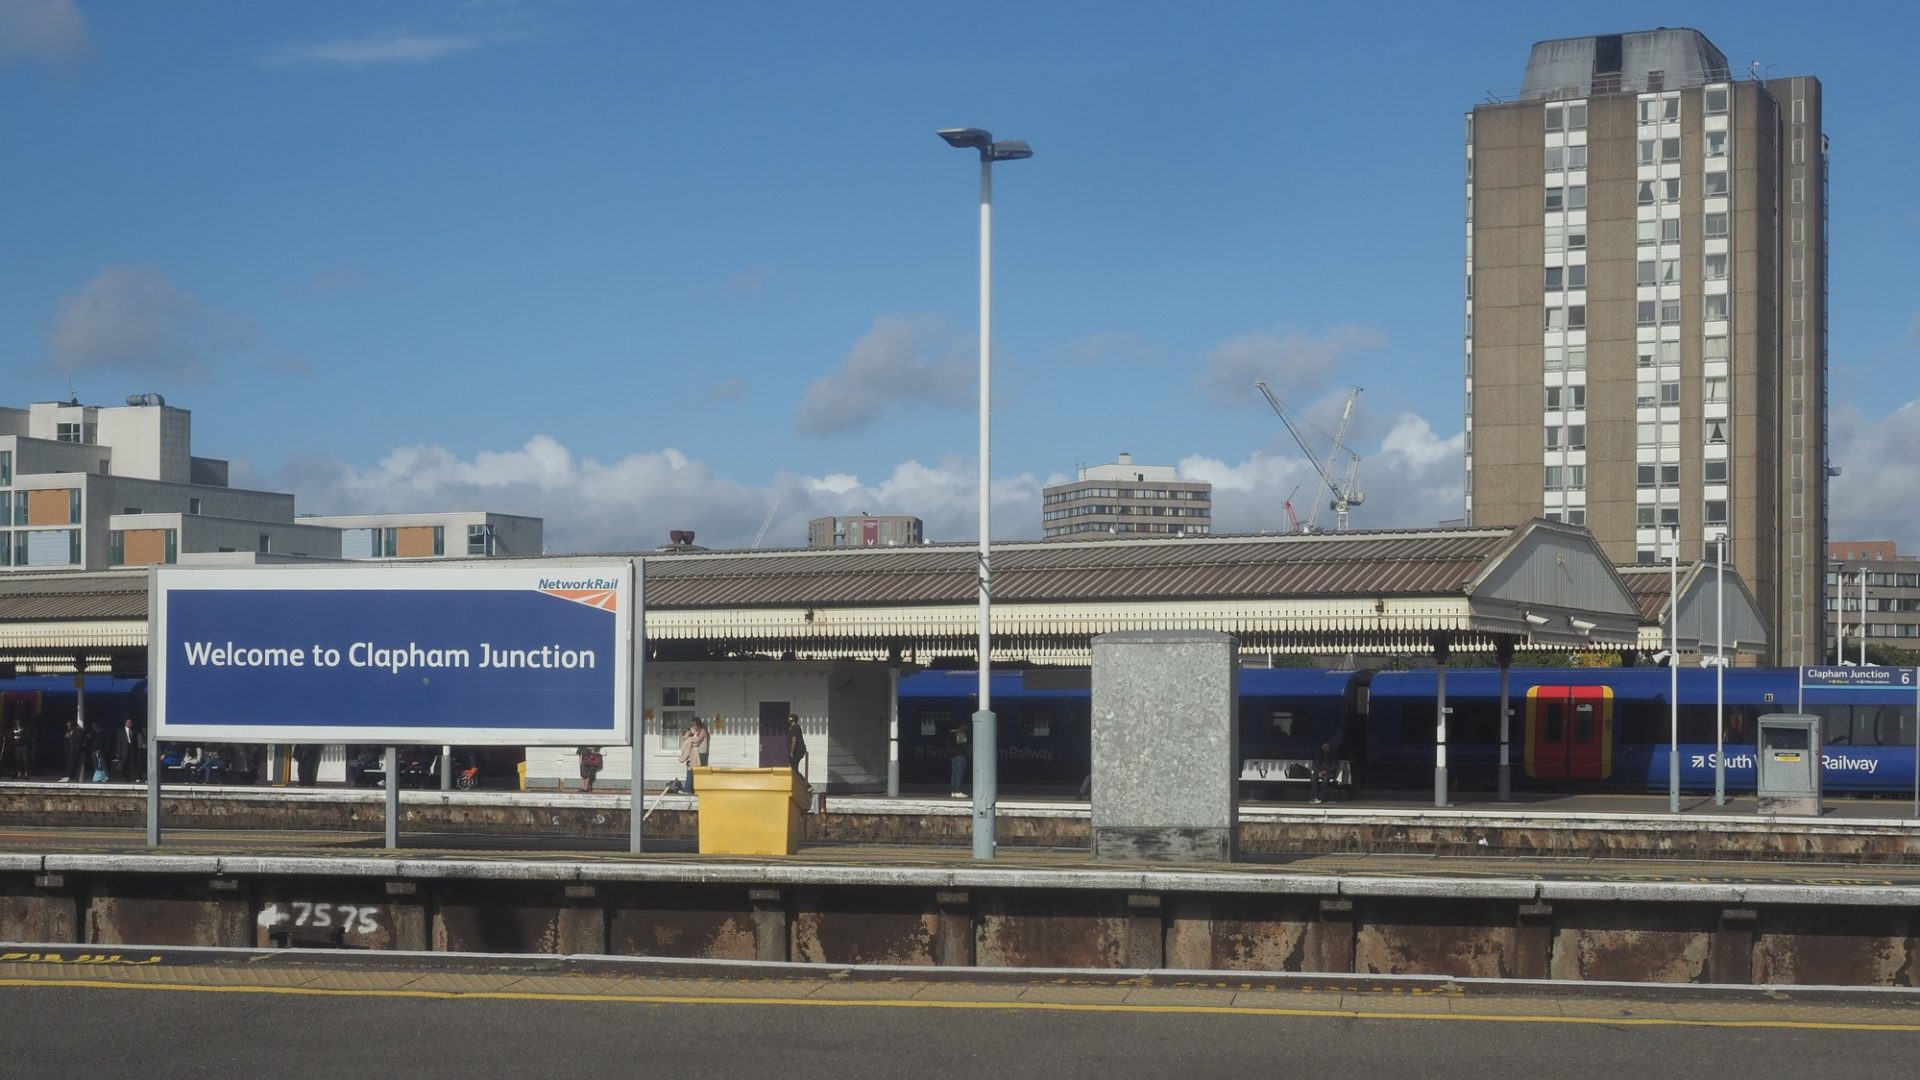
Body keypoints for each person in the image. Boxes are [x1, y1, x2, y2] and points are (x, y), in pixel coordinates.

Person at [678, 717, 709, 794]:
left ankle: (699, 789)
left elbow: (697, 741)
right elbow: (685, 739)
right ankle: (688, 788)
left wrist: (691, 740)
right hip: (694, 754)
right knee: (690, 770)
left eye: (694, 724)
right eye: (692, 724)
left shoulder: (702, 731)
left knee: (699, 771)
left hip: (701, 754)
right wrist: (688, 733)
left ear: (698, 724)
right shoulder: (694, 732)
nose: (693, 726)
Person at [115, 717, 144, 783]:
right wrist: (118, 753)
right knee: (124, 764)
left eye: (131, 722)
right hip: (124, 750)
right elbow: (119, 743)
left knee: (132, 763)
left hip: (132, 749)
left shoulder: (133, 731)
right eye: (129, 722)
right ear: (125, 723)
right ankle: (125, 777)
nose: (130, 724)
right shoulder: (121, 732)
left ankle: (132, 777)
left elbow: (136, 742)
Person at [785, 714, 808, 789]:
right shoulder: (793, 728)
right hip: (796, 752)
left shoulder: (795, 728)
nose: (788, 720)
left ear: (792, 720)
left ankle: (806, 786)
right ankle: (799, 785)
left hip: (796, 753)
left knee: (794, 770)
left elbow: (794, 739)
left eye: (789, 718)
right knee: (793, 769)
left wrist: (792, 752)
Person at [60, 719, 87, 784]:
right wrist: (67, 736)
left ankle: (69, 776)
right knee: (68, 762)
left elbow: (79, 740)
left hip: (75, 749)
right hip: (69, 749)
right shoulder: (70, 731)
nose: (68, 727)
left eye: (69, 726)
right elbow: (66, 739)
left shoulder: (79, 731)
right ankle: (67, 775)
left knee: (72, 763)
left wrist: (71, 737)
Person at [1311, 741, 1337, 805]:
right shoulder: (1318, 754)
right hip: (1319, 772)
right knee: (1313, 777)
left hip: (1328, 773)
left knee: (1325, 779)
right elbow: (1314, 765)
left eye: (1327, 747)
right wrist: (1319, 772)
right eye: (1324, 747)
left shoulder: (1332, 755)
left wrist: (1326, 771)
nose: (1326, 748)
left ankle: (1320, 796)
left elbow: (1334, 766)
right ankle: (1315, 797)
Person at [948, 722, 969, 798]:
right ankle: (958, 791)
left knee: (954, 773)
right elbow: (963, 745)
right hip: (960, 755)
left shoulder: (952, 733)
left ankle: (953, 791)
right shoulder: (961, 734)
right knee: (959, 773)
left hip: (953, 756)